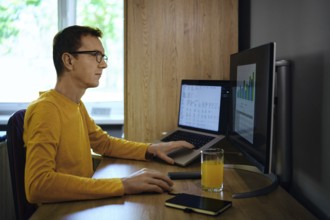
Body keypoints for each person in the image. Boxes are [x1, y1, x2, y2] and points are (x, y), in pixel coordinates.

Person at [23, 25, 194, 204]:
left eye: (103, 57)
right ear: (69, 61)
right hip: (60, 212)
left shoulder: (75, 104)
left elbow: (104, 144)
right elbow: (37, 185)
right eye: (95, 55)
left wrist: (151, 149)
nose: (103, 64)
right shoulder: (47, 109)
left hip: (78, 205)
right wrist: (123, 184)